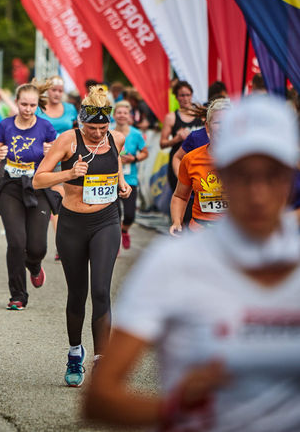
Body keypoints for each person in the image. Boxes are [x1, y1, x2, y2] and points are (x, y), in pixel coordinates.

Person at [85, 95, 300, 431]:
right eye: (243, 175)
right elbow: (98, 400)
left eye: (272, 175)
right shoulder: (174, 262)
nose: (258, 192)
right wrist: (177, 408)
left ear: (290, 176)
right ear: (224, 174)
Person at [33, 85, 131, 387]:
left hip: (107, 219)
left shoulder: (116, 138)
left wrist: (122, 183)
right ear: (81, 123)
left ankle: (102, 360)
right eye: (93, 128)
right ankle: (75, 353)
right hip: (73, 223)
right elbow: (38, 180)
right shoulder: (67, 141)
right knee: (77, 294)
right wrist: (69, 174)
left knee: (101, 290)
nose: (99, 134)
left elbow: (114, 166)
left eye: (103, 128)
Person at [0, 83, 56, 310]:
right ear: (16, 103)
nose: (27, 109)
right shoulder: (6, 125)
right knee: (16, 242)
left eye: (32, 105)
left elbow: (59, 153)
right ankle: (18, 295)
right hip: (12, 187)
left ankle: (34, 265)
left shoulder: (45, 126)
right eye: (24, 104)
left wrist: (50, 152)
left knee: (37, 247)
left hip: (37, 186)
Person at [170, 98, 231, 235]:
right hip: (200, 234)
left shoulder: (246, 160)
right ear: (208, 127)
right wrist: (177, 222)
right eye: (218, 123)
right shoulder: (191, 159)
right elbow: (180, 196)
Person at [36, 76, 79, 260]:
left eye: (60, 90)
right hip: (45, 160)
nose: (57, 93)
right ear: (47, 91)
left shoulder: (70, 109)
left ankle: (69, 242)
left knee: (68, 201)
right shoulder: (38, 109)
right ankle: (62, 245)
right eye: (53, 90)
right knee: (58, 201)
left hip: (68, 159)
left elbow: (79, 130)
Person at [112, 100, 147, 250]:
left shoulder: (136, 134)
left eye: (125, 113)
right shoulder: (108, 132)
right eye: (119, 112)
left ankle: (124, 230)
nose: (121, 115)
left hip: (130, 179)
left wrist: (135, 158)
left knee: (130, 215)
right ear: (114, 115)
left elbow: (145, 152)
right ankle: (115, 243)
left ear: (129, 115)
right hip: (112, 179)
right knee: (115, 214)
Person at [161, 81, 204, 192]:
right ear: (176, 97)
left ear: (192, 95)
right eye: (182, 95)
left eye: (188, 95)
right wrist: (176, 139)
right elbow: (162, 143)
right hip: (179, 162)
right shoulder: (171, 117)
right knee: (181, 198)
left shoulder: (201, 115)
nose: (185, 98)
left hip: (199, 162)